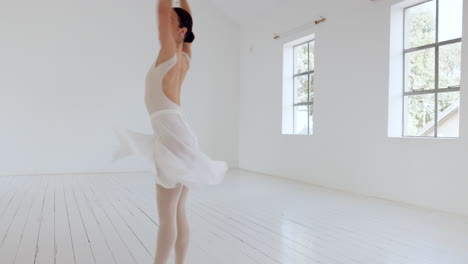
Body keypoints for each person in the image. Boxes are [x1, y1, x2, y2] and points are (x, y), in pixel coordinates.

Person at [113, 0, 228, 263]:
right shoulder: (183, 58)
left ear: (180, 32)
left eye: (171, 24)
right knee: (177, 211)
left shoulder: (170, 55)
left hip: (174, 137)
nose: (164, 26)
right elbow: (184, 20)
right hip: (178, 134)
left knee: (167, 215)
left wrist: (172, 11)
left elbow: (163, 10)